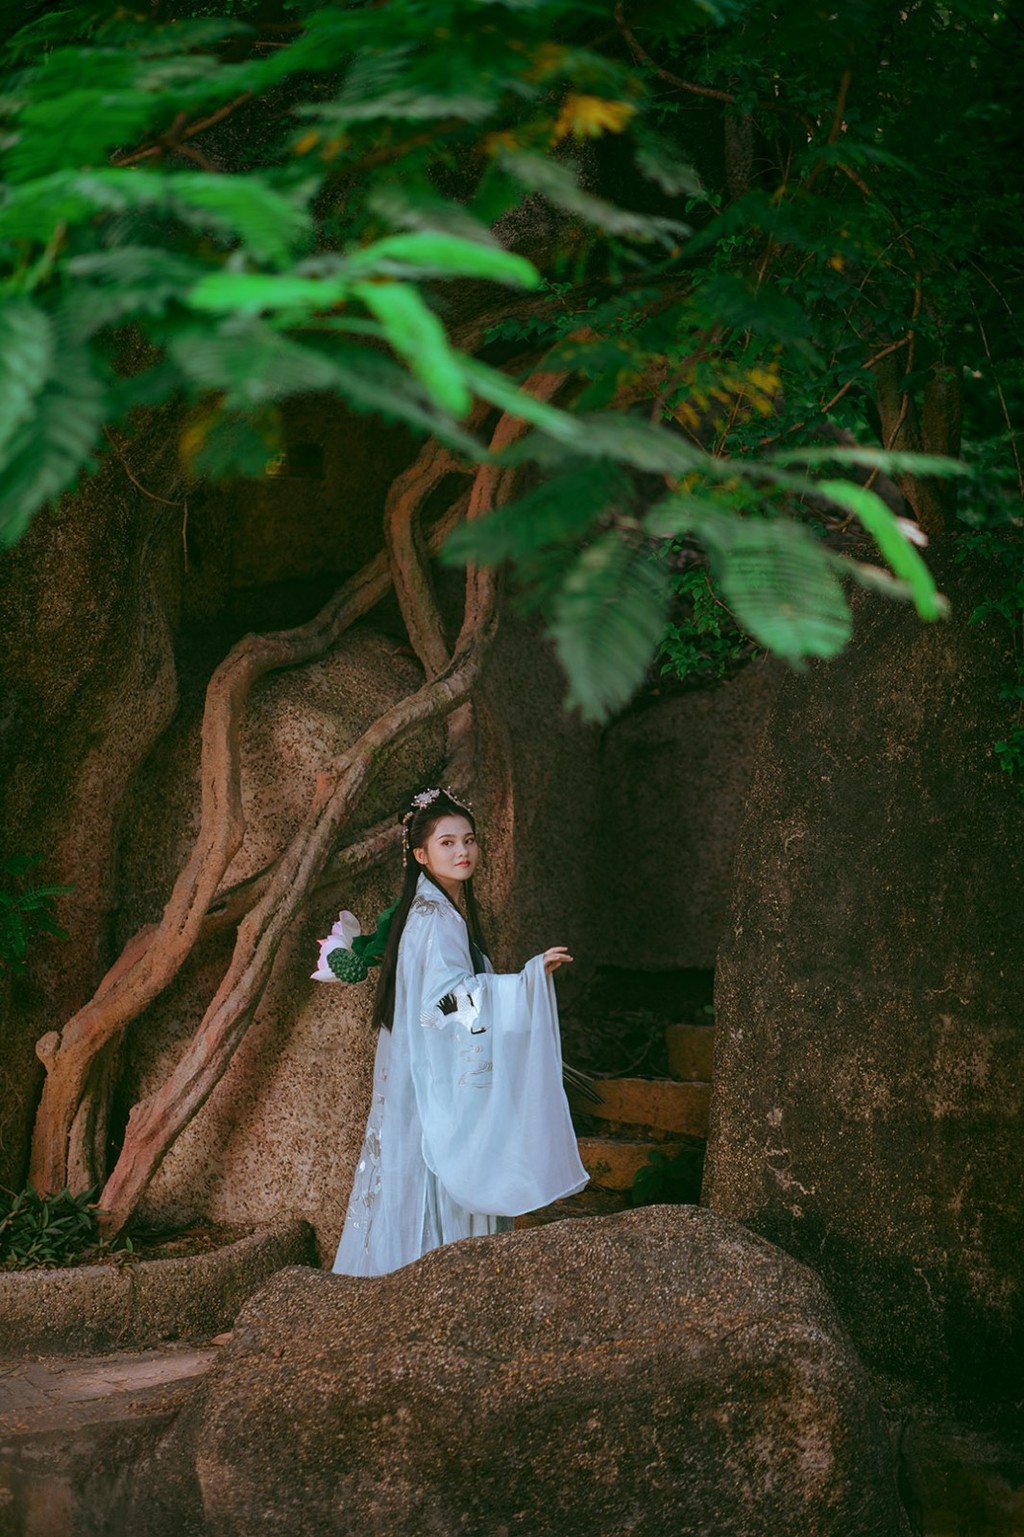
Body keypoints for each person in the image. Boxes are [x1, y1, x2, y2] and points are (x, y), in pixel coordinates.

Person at [331, 787, 588, 1277]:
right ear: (420, 854)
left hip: (421, 1071)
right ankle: (440, 1283)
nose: (463, 851)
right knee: (438, 1175)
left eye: (468, 840)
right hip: (431, 1081)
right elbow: (439, 1007)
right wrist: (523, 984)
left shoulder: (432, 911)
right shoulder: (434, 918)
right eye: (446, 843)